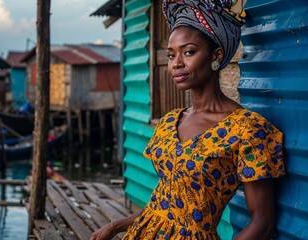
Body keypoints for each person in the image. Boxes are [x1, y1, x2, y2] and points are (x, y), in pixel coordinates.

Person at [91, 0, 285, 239]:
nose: (176, 64)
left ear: (217, 55)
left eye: (189, 52)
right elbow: (163, 206)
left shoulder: (248, 131)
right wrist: (116, 226)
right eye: (171, 55)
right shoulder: (170, 121)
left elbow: (263, 222)